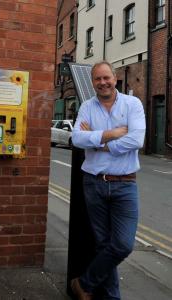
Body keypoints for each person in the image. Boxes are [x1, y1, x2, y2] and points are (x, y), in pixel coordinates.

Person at [71, 61, 146, 300]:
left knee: (123, 245)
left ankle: (84, 283)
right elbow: (77, 139)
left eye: (106, 78)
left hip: (125, 184)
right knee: (104, 245)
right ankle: (112, 298)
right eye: (97, 79)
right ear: (92, 82)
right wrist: (112, 134)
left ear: (115, 78)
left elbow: (136, 140)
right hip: (94, 183)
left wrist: (99, 144)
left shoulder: (132, 104)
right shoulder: (87, 106)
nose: (103, 83)